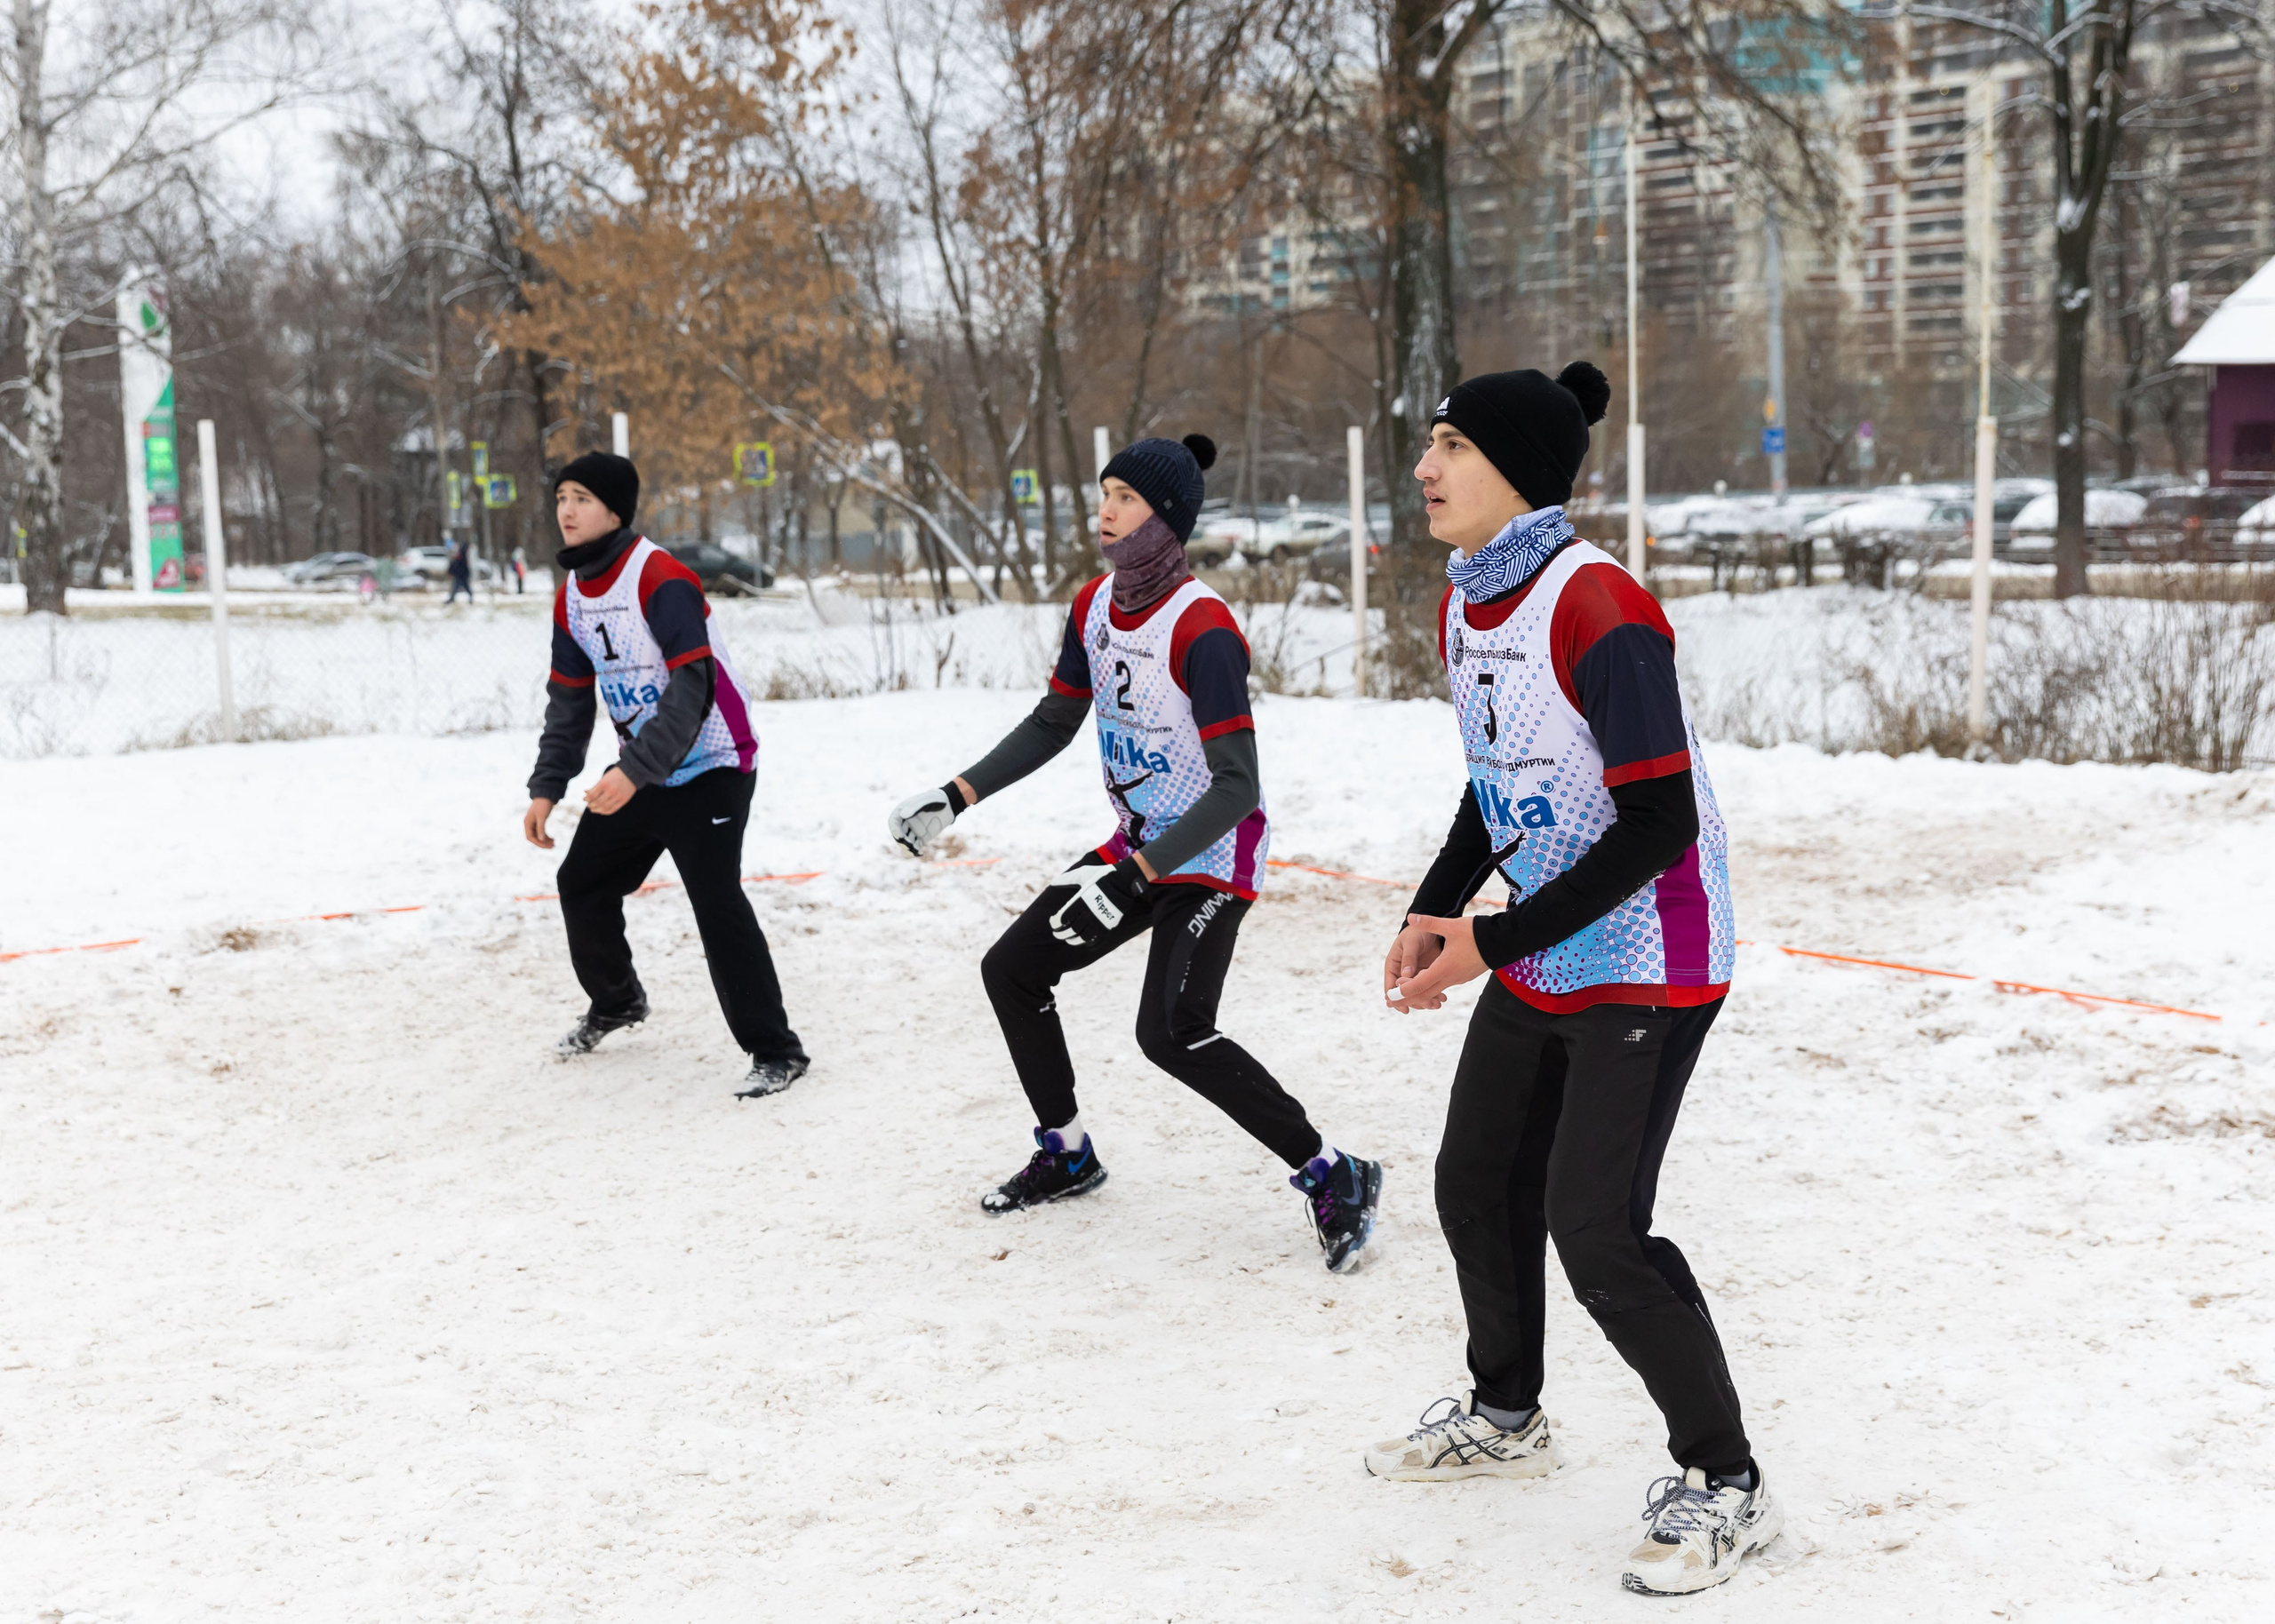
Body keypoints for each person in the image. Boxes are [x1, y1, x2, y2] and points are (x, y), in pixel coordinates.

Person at [1363, 363, 1777, 1596]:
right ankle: (1506, 1414)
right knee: (1473, 1179)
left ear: (1519, 470)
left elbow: (1653, 821)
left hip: (1652, 956)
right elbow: (1499, 778)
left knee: (1595, 1228)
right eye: (1428, 442)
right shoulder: (1466, 604)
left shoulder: (1600, 605)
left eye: (1450, 445)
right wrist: (1440, 901)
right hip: (1548, 938)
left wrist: (1487, 941)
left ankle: (1727, 1481)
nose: (1425, 467)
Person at [885, 434, 1383, 1271]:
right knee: (1012, 969)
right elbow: (1054, 721)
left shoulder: (1204, 629)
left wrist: (1138, 879)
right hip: (1138, 846)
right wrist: (955, 795)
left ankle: (1336, 1173)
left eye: (1123, 498)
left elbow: (1236, 790)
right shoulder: (1092, 606)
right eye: (1104, 492)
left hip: (1210, 858)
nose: (1104, 510)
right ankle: (1067, 1150)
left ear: (1168, 520)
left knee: (1173, 1032)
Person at [521, 450, 809, 1098]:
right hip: (644, 770)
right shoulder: (571, 596)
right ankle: (618, 1001)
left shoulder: (661, 576)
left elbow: (694, 683)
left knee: (715, 899)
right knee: (582, 881)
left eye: (582, 498)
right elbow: (568, 700)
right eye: (562, 496)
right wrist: (547, 786)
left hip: (712, 763)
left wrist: (635, 769)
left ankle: (777, 1052)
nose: (566, 509)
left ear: (615, 511)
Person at [445, 538, 474, 604]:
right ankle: (453, 598)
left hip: (461, 574)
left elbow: (456, 564)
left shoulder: (461, 555)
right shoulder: (463, 554)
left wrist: (451, 570)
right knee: (460, 587)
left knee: (460, 587)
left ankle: (452, 599)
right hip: (461, 574)